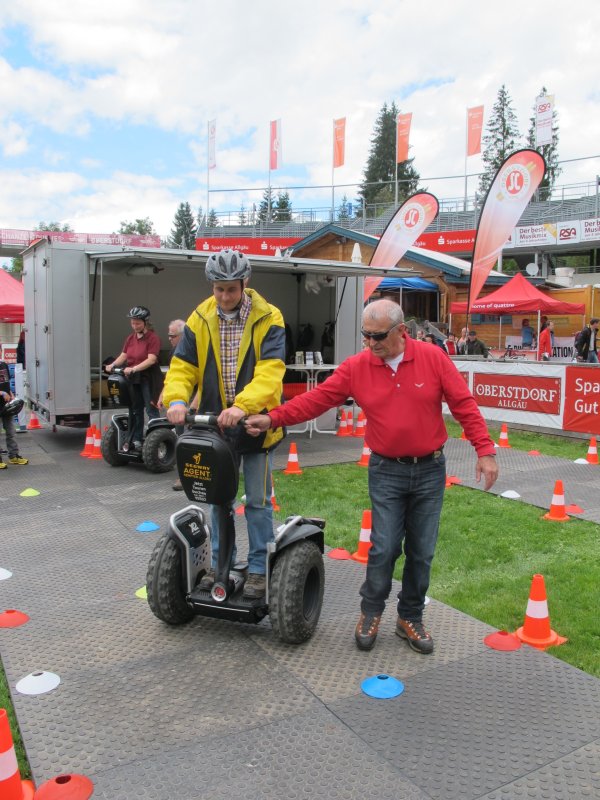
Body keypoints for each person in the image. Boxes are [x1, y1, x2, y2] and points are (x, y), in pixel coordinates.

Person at [245, 299, 498, 655]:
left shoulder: (433, 358)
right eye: (365, 335)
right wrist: (272, 418)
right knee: (383, 548)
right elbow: (316, 400)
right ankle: (370, 612)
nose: (370, 343)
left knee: (422, 551)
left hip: (429, 469)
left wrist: (485, 451)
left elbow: (463, 404)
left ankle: (409, 616)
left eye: (377, 336)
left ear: (401, 332)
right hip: (387, 470)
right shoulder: (357, 367)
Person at [164, 249, 286, 600]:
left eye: (231, 289)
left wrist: (242, 406)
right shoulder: (200, 317)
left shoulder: (269, 317)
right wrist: (175, 399)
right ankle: (222, 565)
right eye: (218, 289)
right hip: (215, 427)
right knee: (218, 500)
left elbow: (271, 371)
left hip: (254, 425)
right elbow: (183, 367)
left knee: (259, 500)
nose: (224, 296)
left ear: (245, 283)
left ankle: (259, 569)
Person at [105, 307, 163, 448]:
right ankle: (136, 439)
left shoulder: (153, 338)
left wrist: (134, 368)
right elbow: (124, 355)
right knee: (135, 409)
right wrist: (111, 365)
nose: (135, 326)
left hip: (148, 378)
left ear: (145, 322)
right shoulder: (130, 338)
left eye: (138, 323)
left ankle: (155, 440)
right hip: (133, 379)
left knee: (151, 410)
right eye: (133, 323)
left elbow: (151, 360)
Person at [0, 354, 28, 469]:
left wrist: (10, 393)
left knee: (11, 431)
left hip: (5, 405)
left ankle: (13, 456)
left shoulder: (3, 364)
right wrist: (1, 393)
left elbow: (5, 383)